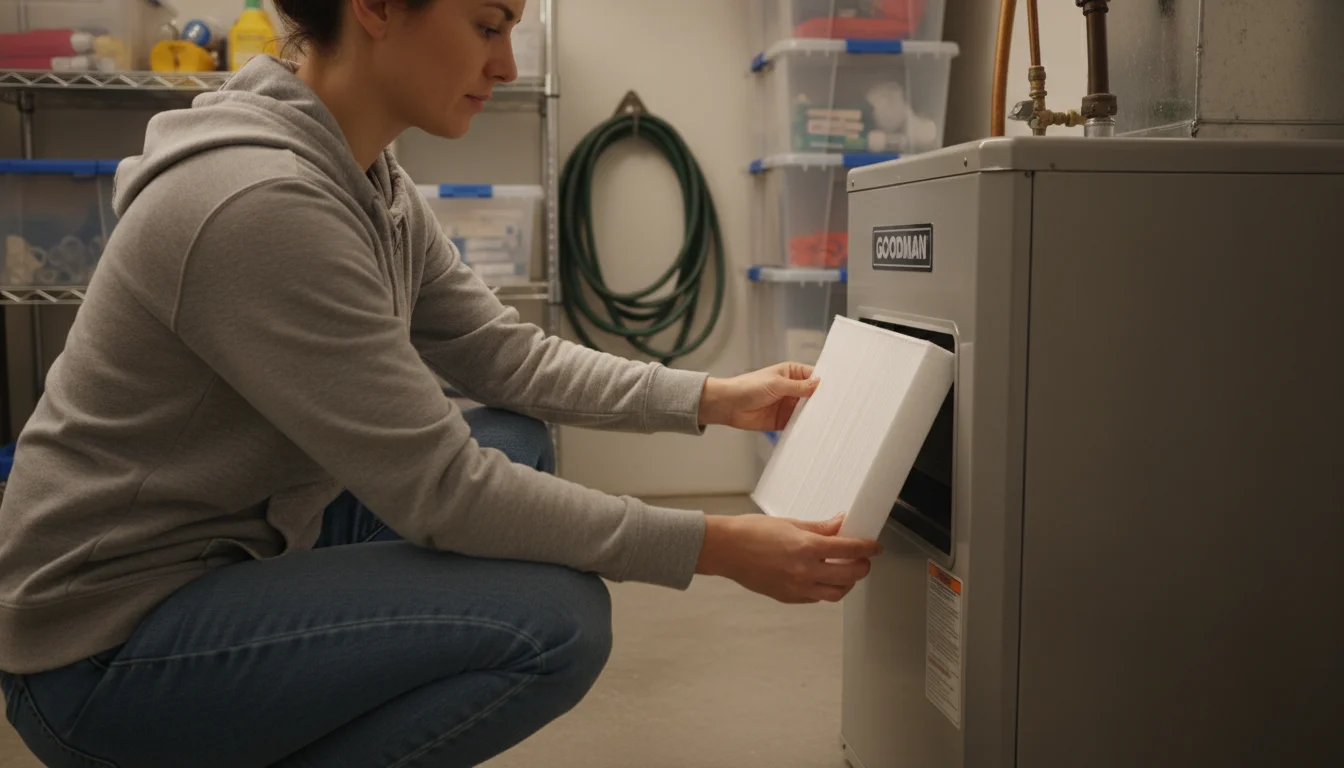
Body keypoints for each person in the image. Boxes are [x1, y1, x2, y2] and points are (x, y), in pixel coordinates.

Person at [0, 1, 882, 765]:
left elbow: (505, 357)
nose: (504, 63)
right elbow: (446, 495)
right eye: (488, 26)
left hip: (240, 541)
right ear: (377, 8)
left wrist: (710, 398)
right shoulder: (258, 201)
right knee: (554, 616)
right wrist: (716, 546)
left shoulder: (368, 177)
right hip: (101, 651)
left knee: (515, 438)